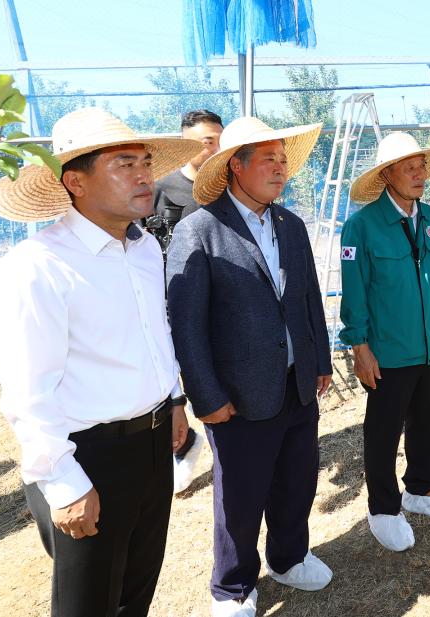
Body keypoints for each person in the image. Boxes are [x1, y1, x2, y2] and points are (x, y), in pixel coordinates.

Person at [0, 107, 201, 617]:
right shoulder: (35, 269)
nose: (145, 174)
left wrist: (172, 402)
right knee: (89, 605)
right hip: (85, 457)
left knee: (137, 589)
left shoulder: (143, 250)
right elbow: (27, 393)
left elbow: (151, 337)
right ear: (74, 181)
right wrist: (64, 482)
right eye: (125, 164)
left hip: (151, 443)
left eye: (145, 161)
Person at [166, 116, 333, 617]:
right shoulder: (199, 229)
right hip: (237, 395)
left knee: (298, 479)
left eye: (283, 159)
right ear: (235, 167)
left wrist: (319, 360)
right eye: (268, 159)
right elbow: (185, 324)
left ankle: (289, 556)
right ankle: (233, 585)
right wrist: (206, 395)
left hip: (296, 382)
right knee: (239, 497)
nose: (281, 168)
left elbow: (308, 300)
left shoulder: (291, 225)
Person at [339, 132, 430, 551]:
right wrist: (359, 346)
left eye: (421, 165)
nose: (418, 174)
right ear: (386, 174)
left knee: (427, 420)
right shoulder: (361, 226)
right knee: (383, 431)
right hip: (388, 350)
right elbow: (354, 292)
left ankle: (421, 487)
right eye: (407, 167)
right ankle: (384, 508)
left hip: (429, 344)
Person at [152, 109, 224, 493]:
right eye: (205, 140)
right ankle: (183, 445)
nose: (214, 147)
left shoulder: (225, 190)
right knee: (168, 380)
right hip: (167, 304)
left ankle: (215, 447)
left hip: (218, 308)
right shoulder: (160, 190)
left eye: (218, 139)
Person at [148, 109, 223, 247]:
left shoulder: (231, 189)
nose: (218, 150)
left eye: (222, 142)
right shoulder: (158, 189)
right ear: (186, 145)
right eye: (209, 143)